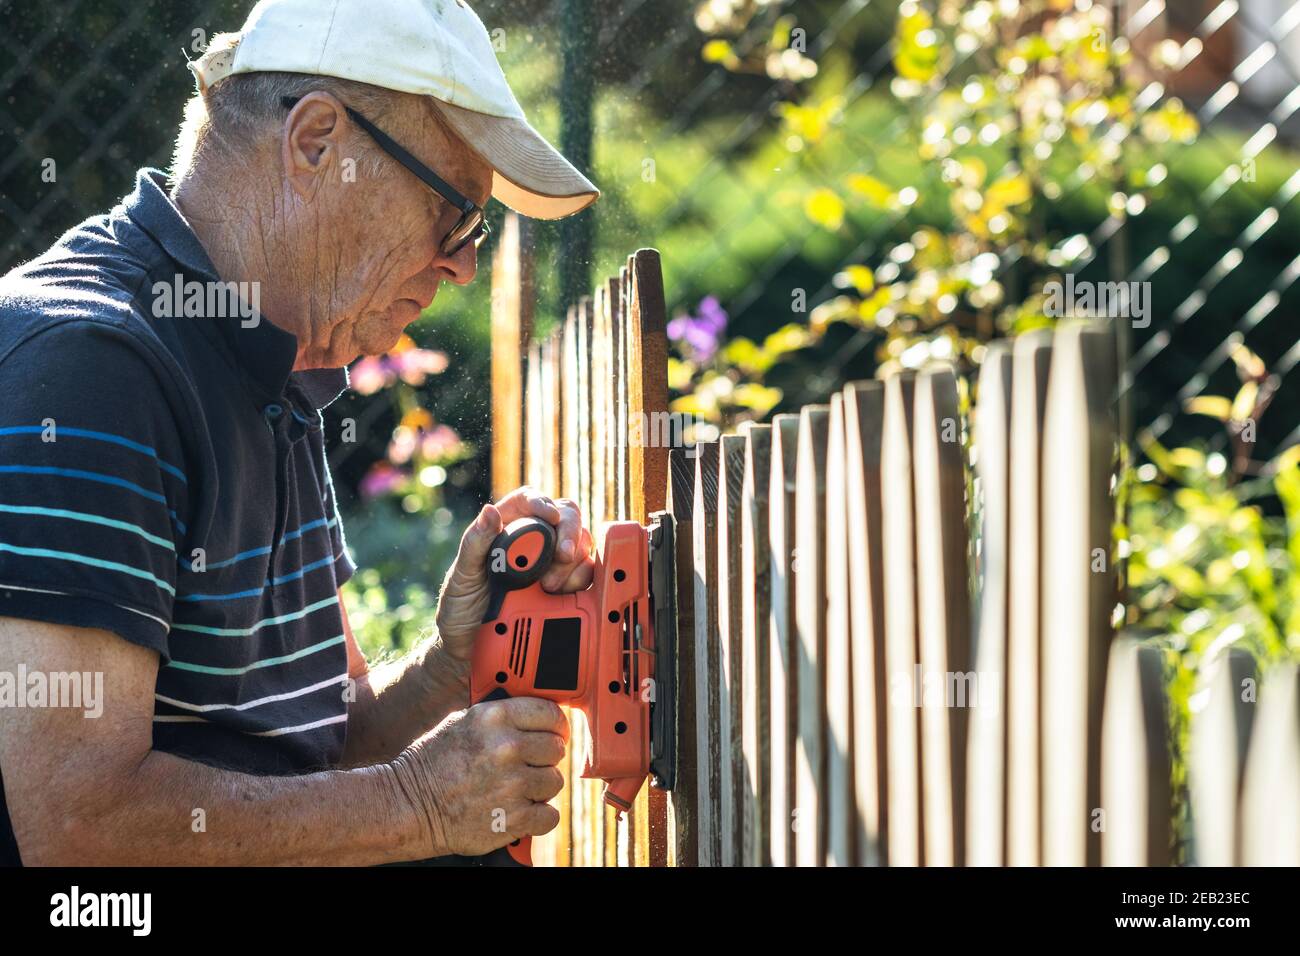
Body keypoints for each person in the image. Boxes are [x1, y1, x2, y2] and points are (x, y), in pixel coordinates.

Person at [0, 0, 599, 865]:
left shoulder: (270, 361)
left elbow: (313, 750)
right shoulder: (94, 370)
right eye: (455, 215)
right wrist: (420, 805)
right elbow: (75, 824)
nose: (464, 264)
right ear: (317, 142)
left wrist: (444, 666)